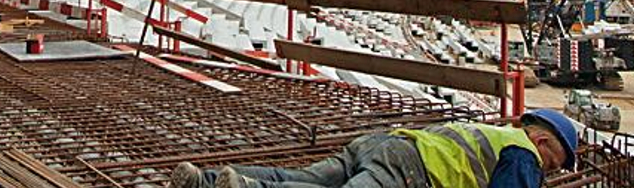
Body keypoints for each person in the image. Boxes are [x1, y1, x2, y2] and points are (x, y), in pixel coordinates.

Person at [168, 109, 577, 188]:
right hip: (412, 169)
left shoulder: (494, 133)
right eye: (552, 164)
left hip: (385, 143)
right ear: (541, 141)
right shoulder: (523, 154)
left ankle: (202, 180)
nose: (547, 173)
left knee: (305, 178)